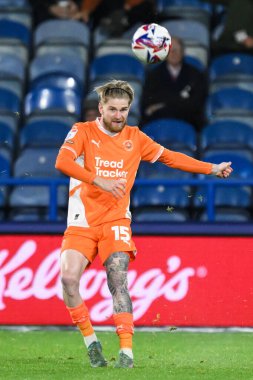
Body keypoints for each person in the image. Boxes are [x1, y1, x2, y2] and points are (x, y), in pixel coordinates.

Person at [55, 79, 233, 368]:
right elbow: (62, 162)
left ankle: (126, 352)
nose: (118, 116)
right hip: (81, 222)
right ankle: (91, 342)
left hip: (115, 219)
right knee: (68, 280)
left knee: (117, 276)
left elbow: (170, 158)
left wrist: (211, 168)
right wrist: (97, 178)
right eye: (112, 109)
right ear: (100, 108)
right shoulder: (82, 131)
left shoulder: (135, 137)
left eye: (123, 110)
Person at [142, 36, 208, 130]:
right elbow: (147, 104)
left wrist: (162, 104)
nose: (173, 53)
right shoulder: (153, 75)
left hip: (188, 123)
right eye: (170, 50)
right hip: (159, 123)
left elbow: (196, 105)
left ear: (183, 52)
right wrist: (179, 99)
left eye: (176, 50)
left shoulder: (195, 74)